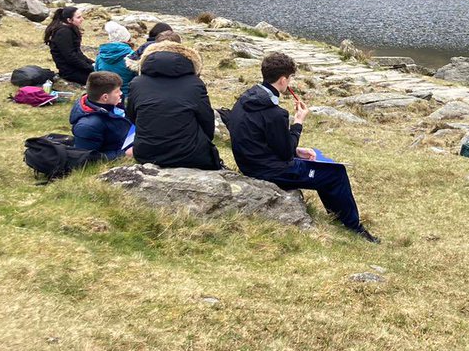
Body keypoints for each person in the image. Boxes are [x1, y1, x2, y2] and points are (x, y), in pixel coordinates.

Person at [224, 52, 377, 242]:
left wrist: (297, 150)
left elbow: (265, 139)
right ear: (282, 80)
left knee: (319, 165)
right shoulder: (274, 113)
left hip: (251, 163)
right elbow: (285, 154)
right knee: (335, 173)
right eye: (289, 78)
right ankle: (354, 228)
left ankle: (337, 216)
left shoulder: (245, 99)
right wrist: (298, 123)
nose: (289, 83)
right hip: (268, 170)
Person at [124, 40, 221, 170]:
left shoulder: (137, 83)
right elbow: (206, 121)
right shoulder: (195, 84)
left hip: (147, 153)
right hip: (190, 154)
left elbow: (132, 116)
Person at [69, 70, 132, 160]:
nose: (121, 93)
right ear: (105, 97)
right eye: (117, 91)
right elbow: (87, 158)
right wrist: (124, 154)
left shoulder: (112, 104)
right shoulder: (87, 126)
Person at [43, 6, 93, 85]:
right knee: (103, 80)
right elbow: (70, 57)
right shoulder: (63, 33)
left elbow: (77, 52)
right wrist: (89, 67)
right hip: (70, 72)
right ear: (69, 20)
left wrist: (91, 63)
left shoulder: (70, 29)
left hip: (75, 68)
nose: (82, 19)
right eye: (78, 17)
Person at [94, 20, 136, 96]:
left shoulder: (100, 56)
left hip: (105, 96)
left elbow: (96, 76)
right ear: (127, 39)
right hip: (127, 96)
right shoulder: (132, 56)